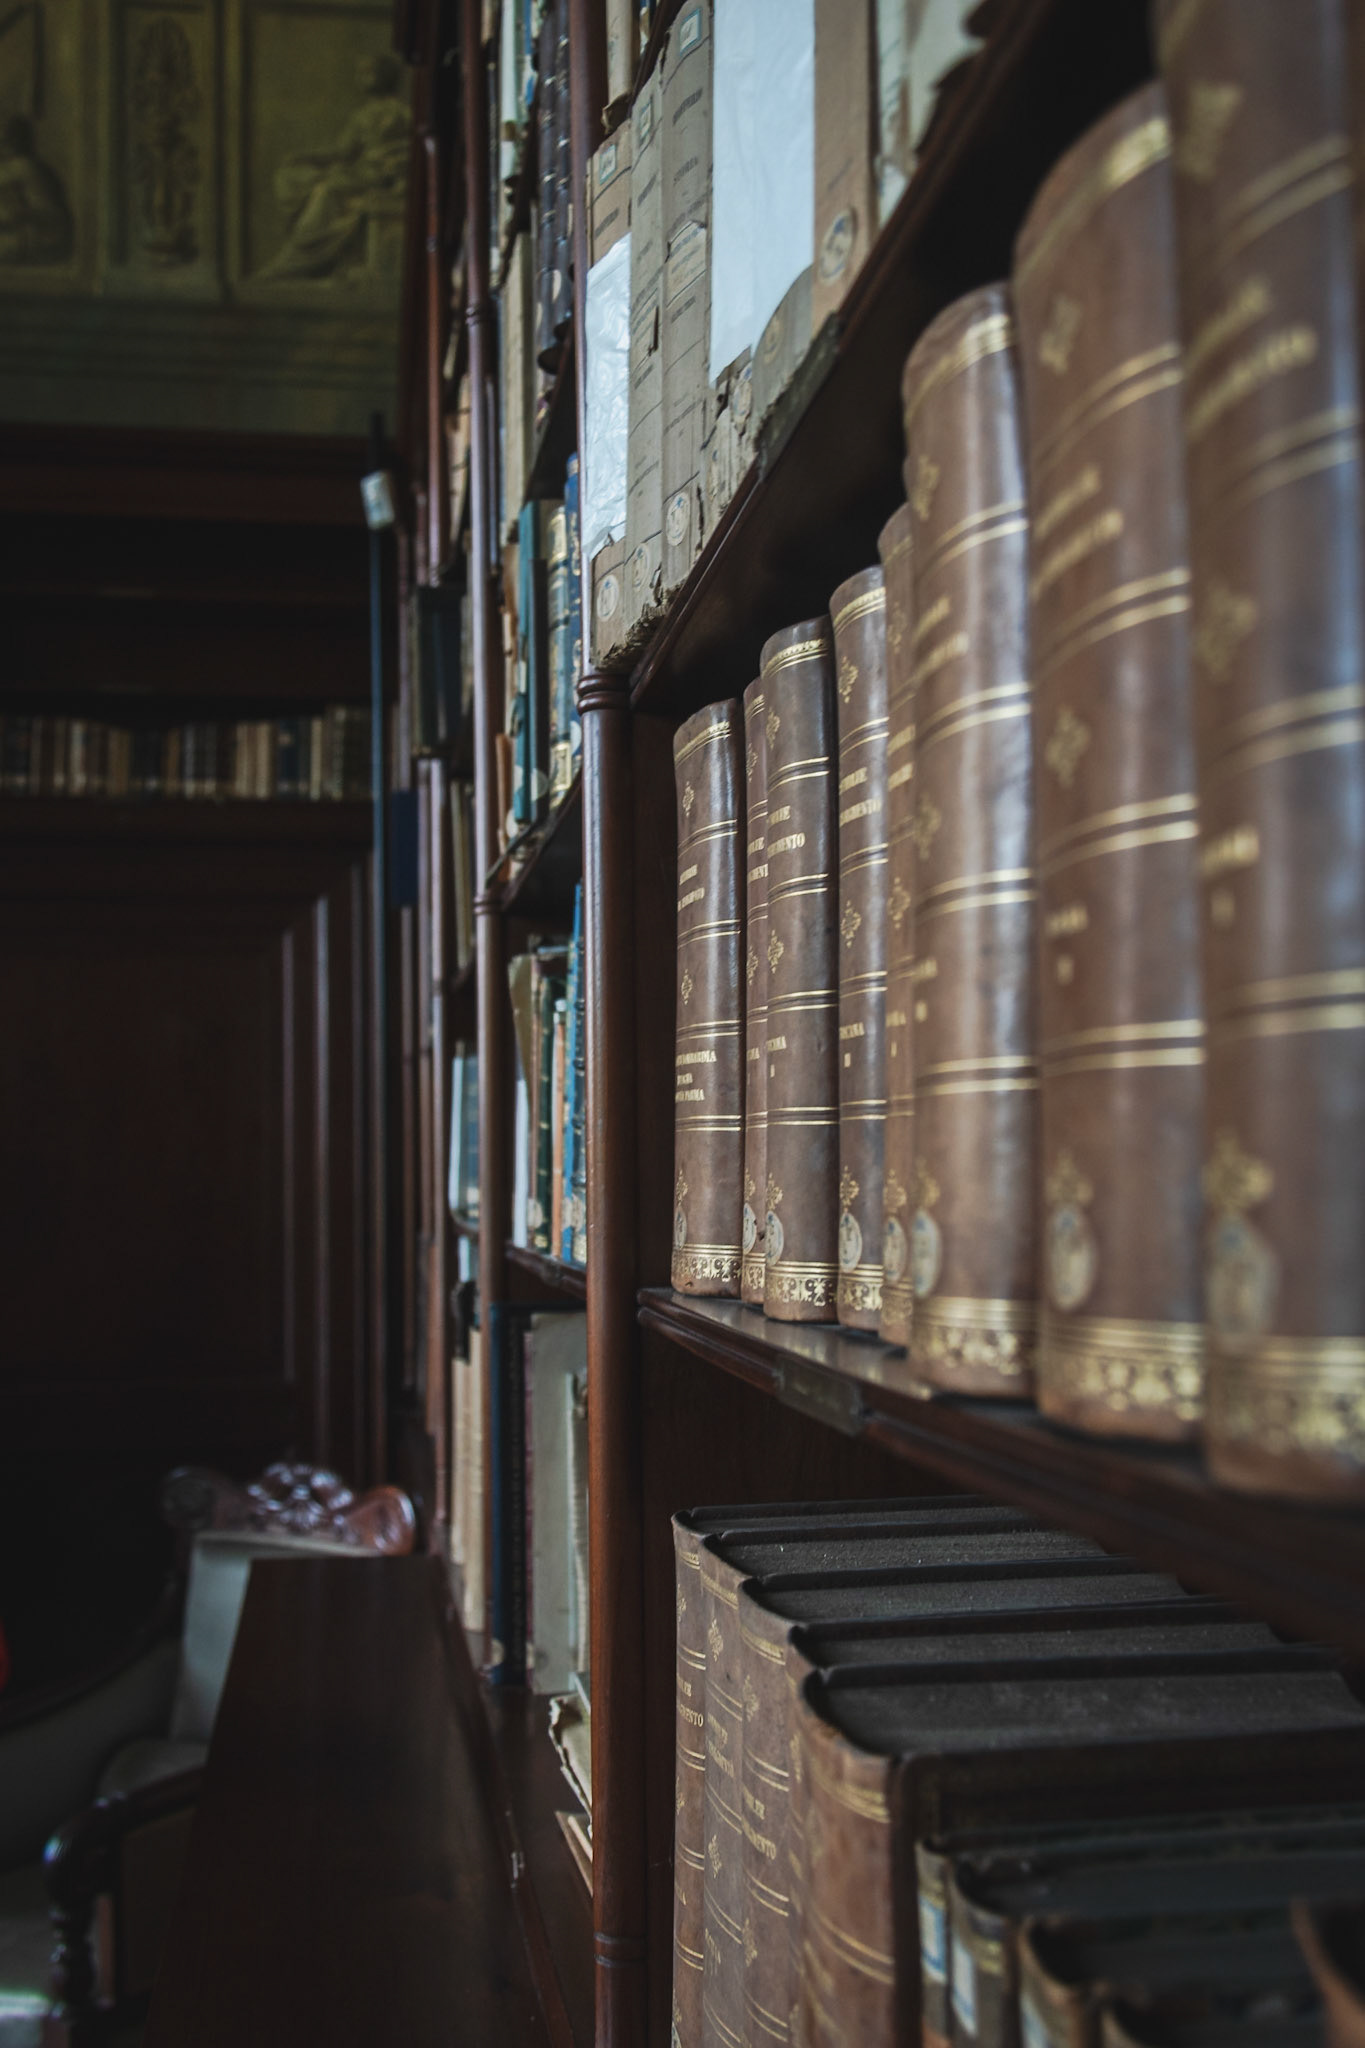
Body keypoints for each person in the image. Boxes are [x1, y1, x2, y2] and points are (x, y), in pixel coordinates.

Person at [261, 53, 408, 281]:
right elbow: (342, 152)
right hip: (367, 173)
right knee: (308, 181)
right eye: (362, 72)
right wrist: (305, 157)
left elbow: (345, 153)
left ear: (384, 76)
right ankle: (300, 249)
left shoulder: (395, 113)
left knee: (325, 191)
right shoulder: (368, 115)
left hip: (377, 176)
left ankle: (302, 252)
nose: (362, 77)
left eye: (369, 72)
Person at [0, 113, 73, 265]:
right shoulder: (14, 167)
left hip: (38, 240)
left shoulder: (24, 167)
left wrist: (15, 216)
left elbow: (47, 216)